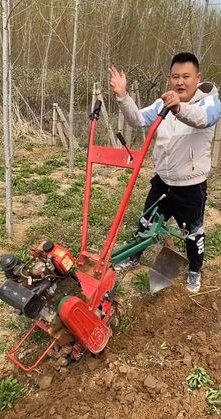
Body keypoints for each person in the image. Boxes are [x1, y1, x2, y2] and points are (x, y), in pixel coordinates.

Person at [109, 52, 221, 293]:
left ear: (197, 77)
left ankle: (194, 271)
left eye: (186, 76)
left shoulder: (209, 102)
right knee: (145, 222)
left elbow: (204, 119)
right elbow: (138, 119)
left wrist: (179, 108)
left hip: (191, 187)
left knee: (192, 232)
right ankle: (134, 257)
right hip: (162, 182)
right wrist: (123, 97)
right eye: (175, 76)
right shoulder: (163, 103)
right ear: (170, 78)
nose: (180, 82)